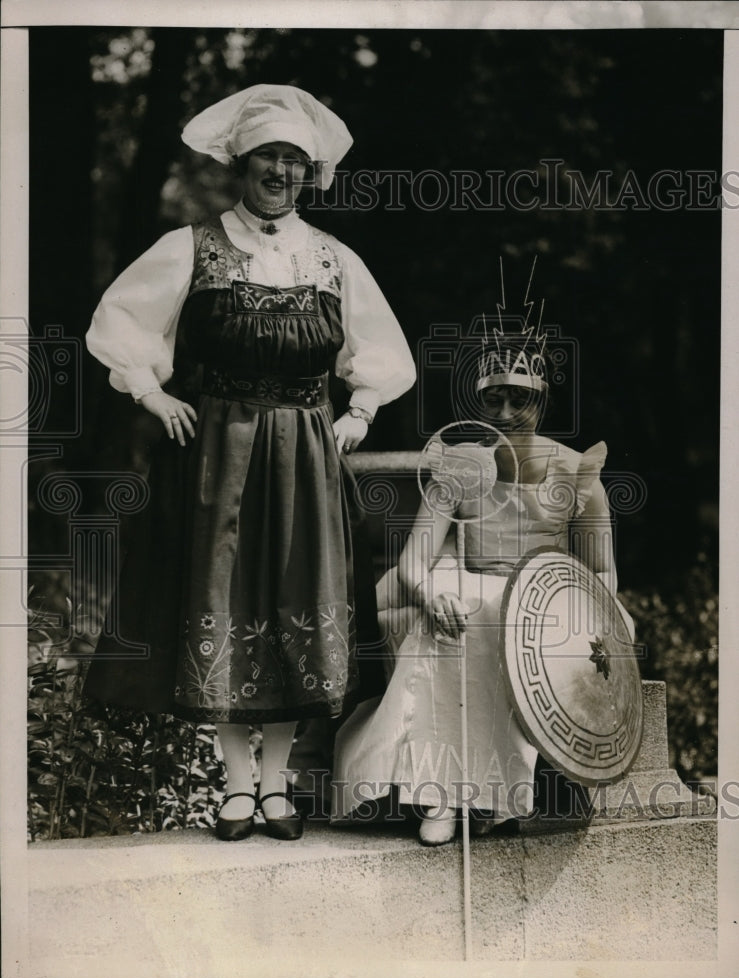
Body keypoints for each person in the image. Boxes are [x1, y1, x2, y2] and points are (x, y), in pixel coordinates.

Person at [84, 83, 416, 841]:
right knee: (224, 604)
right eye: (269, 154)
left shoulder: (332, 260)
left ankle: (278, 790)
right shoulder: (189, 247)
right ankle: (237, 790)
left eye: (296, 160)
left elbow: (381, 352)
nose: (282, 171)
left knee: (296, 607)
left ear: (311, 172)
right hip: (216, 459)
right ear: (241, 161)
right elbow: (119, 323)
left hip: (304, 454)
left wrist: (360, 411)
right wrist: (150, 393)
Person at [331, 312, 632, 845]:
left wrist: (574, 614)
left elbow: (602, 571)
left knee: (502, 619)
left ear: (543, 403)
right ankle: (439, 794)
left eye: (521, 399)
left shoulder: (577, 472)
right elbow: (412, 561)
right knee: (457, 615)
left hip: (555, 600)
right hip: (476, 583)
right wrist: (427, 595)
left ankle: (496, 796)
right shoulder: (464, 466)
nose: (508, 412)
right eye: (494, 399)